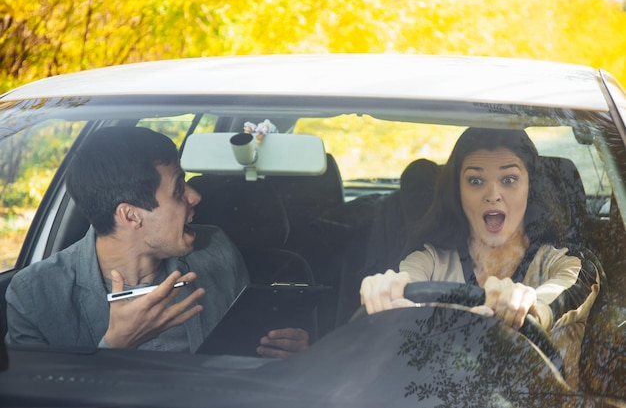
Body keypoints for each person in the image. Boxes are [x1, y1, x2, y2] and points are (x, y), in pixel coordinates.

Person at [5, 126, 308, 358]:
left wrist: (291, 355)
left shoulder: (216, 250)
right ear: (131, 216)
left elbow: (246, 355)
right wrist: (115, 347)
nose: (195, 196)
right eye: (178, 189)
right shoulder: (34, 297)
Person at [359, 127, 599, 387]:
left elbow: (555, 299)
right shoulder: (430, 259)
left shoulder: (568, 263)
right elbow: (405, 282)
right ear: (457, 192)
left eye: (509, 180)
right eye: (475, 181)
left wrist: (527, 305)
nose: (492, 194)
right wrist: (385, 292)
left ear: (531, 187)